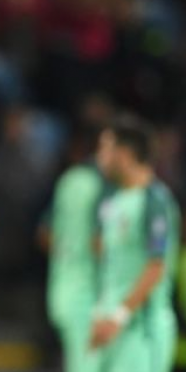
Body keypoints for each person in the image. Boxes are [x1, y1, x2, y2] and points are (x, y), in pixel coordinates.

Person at [90, 118, 180, 372]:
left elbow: (156, 266)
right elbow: (108, 263)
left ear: (126, 154)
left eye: (106, 149)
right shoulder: (114, 200)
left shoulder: (155, 201)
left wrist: (119, 316)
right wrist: (100, 313)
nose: (100, 156)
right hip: (110, 326)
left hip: (141, 328)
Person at [42, 127, 113, 372]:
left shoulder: (69, 180)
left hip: (61, 290)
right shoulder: (103, 184)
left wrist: (67, 254)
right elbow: (100, 243)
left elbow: (44, 235)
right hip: (89, 294)